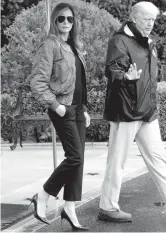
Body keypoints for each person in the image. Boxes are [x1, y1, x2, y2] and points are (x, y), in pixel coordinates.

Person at [98, 1, 166, 223]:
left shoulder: (148, 42)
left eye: (153, 20)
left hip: (146, 112)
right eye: (147, 19)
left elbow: (148, 76)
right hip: (125, 111)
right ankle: (107, 207)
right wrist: (124, 77)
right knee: (116, 162)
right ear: (134, 18)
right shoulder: (120, 40)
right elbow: (112, 70)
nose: (151, 24)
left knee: (159, 159)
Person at [30, 3, 90, 231]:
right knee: (74, 157)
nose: (66, 23)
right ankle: (44, 194)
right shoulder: (49, 45)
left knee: (79, 159)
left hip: (77, 110)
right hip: (62, 109)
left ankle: (70, 208)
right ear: (54, 21)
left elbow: (80, 83)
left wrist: (84, 108)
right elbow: (37, 81)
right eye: (61, 19)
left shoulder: (75, 47)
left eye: (70, 19)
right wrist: (55, 105)